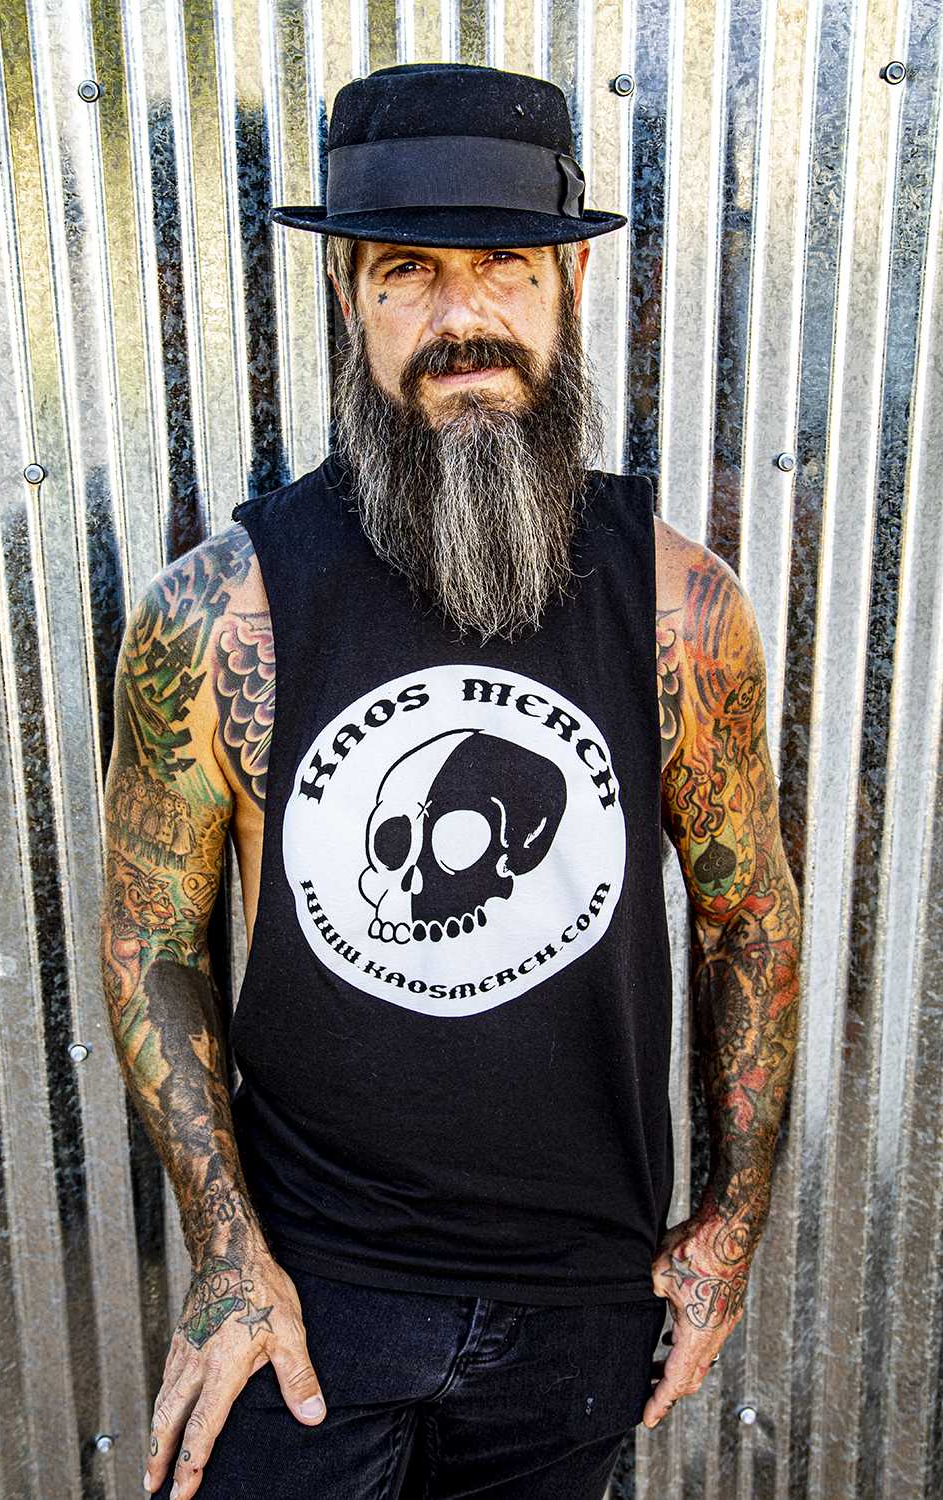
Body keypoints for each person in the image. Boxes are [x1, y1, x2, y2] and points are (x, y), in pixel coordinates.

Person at [100, 61, 801, 1500]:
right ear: (347, 295)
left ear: (570, 288)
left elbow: (752, 918)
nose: (461, 320)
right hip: (311, 1306)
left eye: (505, 269)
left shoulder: (680, 610)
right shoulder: (220, 615)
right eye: (408, 271)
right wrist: (227, 1254)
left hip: (580, 1310)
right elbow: (149, 937)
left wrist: (728, 1230)